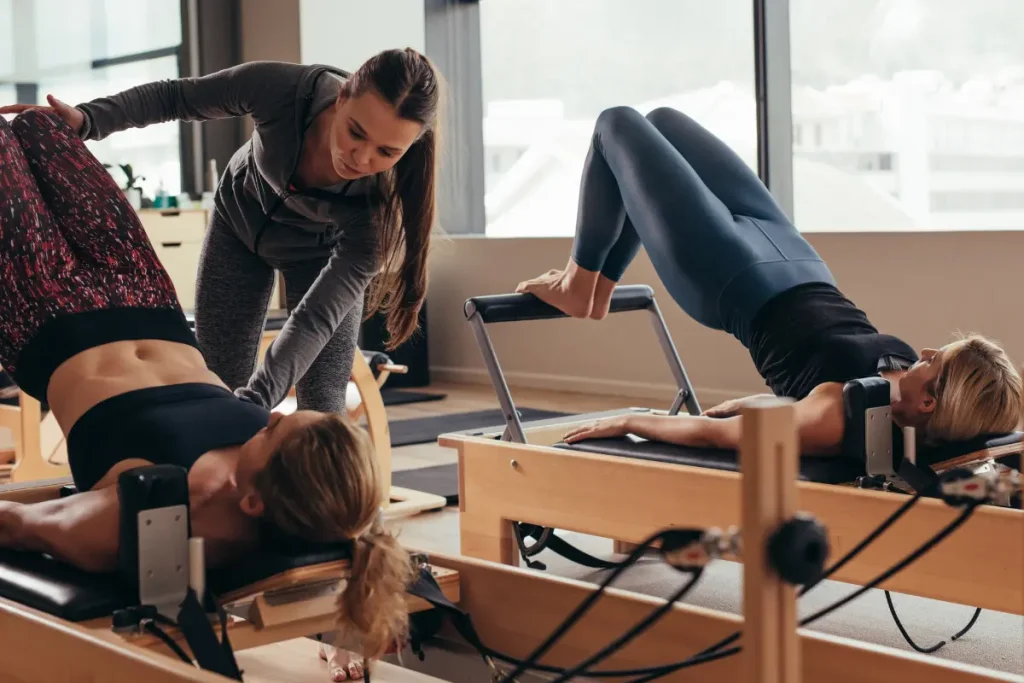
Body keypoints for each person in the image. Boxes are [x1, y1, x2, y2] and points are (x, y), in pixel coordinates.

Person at [0, 109, 409, 681]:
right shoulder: (320, 489)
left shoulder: (149, 515)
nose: (263, 417)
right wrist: (346, 624)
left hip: (48, 316)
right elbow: (352, 524)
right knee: (42, 129)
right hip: (147, 297)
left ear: (252, 502)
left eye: (267, 430)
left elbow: (15, 525)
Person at [515, 105, 1022, 454]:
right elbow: (783, 404)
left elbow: (728, 437)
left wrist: (630, 421)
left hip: (729, 277)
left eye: (937, 362)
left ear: (930, 402)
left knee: (616, 125)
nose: (927, 351)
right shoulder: (901, 383)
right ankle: (595, 288)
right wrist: (752, 402)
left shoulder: (841, 416)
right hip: (794, 256)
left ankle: (580, 287)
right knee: (664, 124)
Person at [0, 47, 443, 416]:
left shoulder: (378, 210)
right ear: (343, 96)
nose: (361, 159)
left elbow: (312, 319)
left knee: (321, 406)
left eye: (387, 151)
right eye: (355, 133)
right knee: (214, 381)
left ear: (409, 147)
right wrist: (90, 120)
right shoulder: (284, 90)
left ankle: (326, 516)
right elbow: (177, 98)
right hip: (238, 227)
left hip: (320, 256)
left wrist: (256, 404)